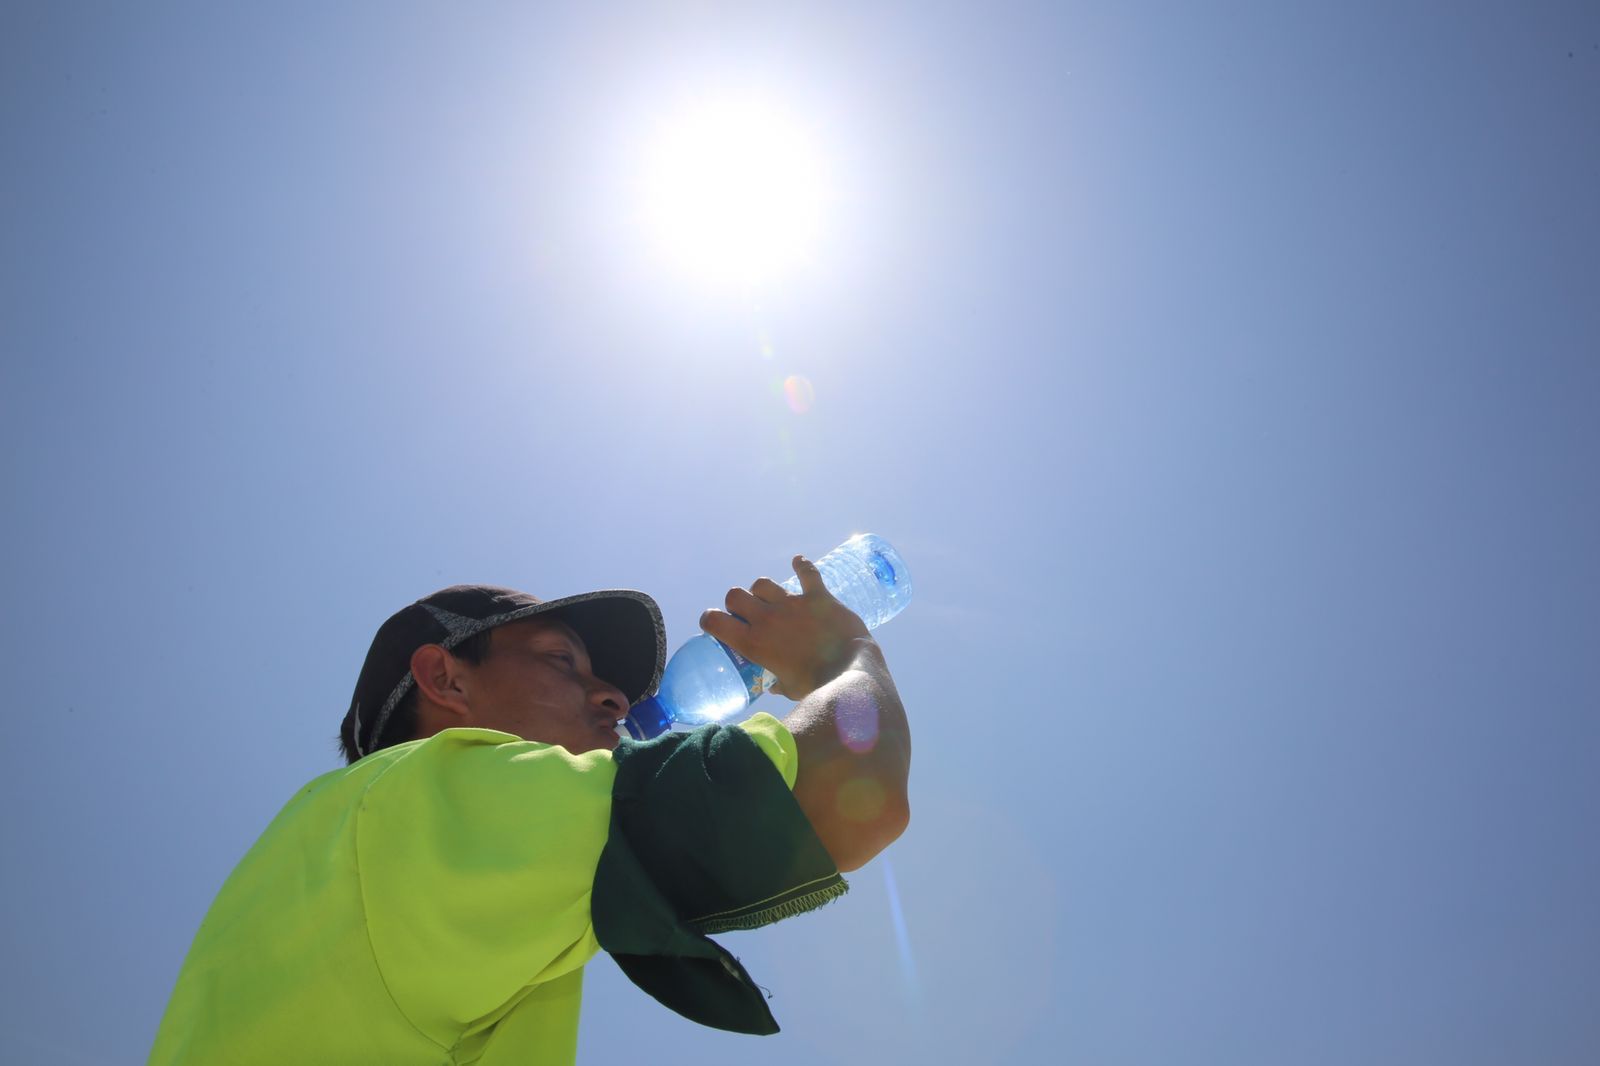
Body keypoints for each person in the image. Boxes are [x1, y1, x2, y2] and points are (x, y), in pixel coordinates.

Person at [148, 555, 910, 1065]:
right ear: (445, 678)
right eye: (560, 662)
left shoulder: (342, 849)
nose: (617, 698)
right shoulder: (435, 799)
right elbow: (844, 793)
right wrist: (843, 654)